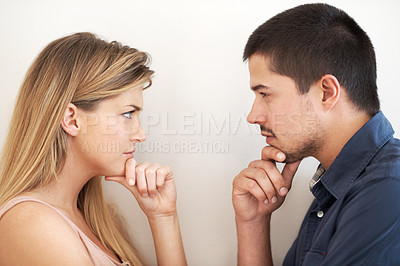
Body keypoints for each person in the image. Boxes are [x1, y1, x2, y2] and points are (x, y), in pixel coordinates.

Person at [232, 3, 400, 266]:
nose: (253, 116)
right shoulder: (335, 190)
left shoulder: (388, 189)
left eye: (265, 94)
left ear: (327, 92)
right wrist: (252, 222)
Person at [0, 32, 187, 266]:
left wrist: (163, 217)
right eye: (128, 113)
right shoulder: (33, 223)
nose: (141, 135)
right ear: (72, 119)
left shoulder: (99, 221)